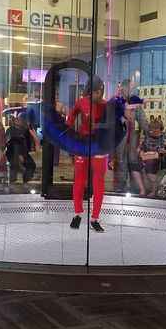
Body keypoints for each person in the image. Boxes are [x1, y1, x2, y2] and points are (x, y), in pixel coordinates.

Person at [68, 76, 108, 232]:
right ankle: (77, 214)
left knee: (99, 182)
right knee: (79, 180)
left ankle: (95, 218)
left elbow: (112, 126)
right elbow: (70, 119)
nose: (97, 95)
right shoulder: (81, 102)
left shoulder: (106, 105)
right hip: (83, 145)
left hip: (99, 147)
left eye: (99, 92)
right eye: (94, 92)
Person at [113, 82, 148, 192]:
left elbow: (142, 120)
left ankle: (133, 188)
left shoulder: (134, 103)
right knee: (121, 161)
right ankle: (121, 187)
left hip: (132, 136)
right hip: (120, 136)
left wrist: (148, 133)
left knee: (132, 160)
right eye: (126, 88)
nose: (128, 90)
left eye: (130, 88)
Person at [140, 119, 166, 197]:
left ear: (161, 128)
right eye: (152, 128)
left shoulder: (165, 137)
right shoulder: (147, 136)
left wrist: (163, 151)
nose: (154, 130)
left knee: (150, 163)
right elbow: (142, 148)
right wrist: (142, 153)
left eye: (156, 128)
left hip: (161, 158)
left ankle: (154, 190)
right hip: (147, 157)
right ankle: (148, 188)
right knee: (137, 163)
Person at [6, 112, 37, 184]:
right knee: (14, 165)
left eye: (20, 119)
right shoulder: (11, 130)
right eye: (17, 119)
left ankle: (25, 180)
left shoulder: (25, 130)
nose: (17, 120)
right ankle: (13, 181)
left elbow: (29, 145)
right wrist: (19, 155)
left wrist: (34, 135)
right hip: (13, 153)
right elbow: (10, 144)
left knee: (31, 165)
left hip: (23, 154)